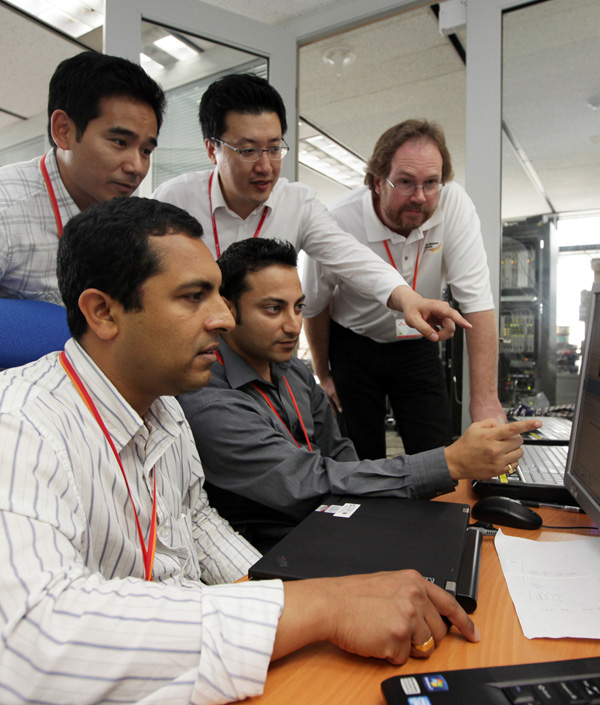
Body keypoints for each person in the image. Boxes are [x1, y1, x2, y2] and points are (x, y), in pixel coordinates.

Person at [0, 197, 483, 704]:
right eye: (193, 297)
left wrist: (279, 592)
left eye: (218, 295)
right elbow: (33, 638)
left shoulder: (164, 409)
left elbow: (197, 522)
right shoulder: (21, 424)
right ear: (103, 312)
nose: (223, 319)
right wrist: (317, 606)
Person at [179, 237, 539, 552]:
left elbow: (339, 456)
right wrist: (449, 463)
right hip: (280, 548)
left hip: (330, 524)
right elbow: (308, 484)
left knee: (459, 543)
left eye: (299, 307)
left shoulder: (292, 371)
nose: (293, 325)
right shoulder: (208, 398)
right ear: (228, 308)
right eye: (273, 309)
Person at [152, 72, 469, 343]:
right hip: (196, 349)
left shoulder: (298, 203)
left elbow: (352, 258)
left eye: (274, 148)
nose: (266, 166)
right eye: (248, 151)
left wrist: (408, 298)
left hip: (264, 356)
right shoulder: (175, 199)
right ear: (213, 149)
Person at [303, 119, 505, 460]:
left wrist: (485, 400)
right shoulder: (339, 219)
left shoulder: (453, 205)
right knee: (358, 457)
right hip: (353, 344)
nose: (420, 196)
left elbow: (478, 303)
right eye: (406, 182)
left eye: (431, 183)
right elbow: (314, 306)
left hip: (416, 343)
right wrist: (323, 374)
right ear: (377, 182)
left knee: (436, 452)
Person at [0, 51, 165, 304]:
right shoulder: (6, 209)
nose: (137, 167)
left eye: (146, 151)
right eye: (120, 142)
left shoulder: (131, 223)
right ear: (63, 130)